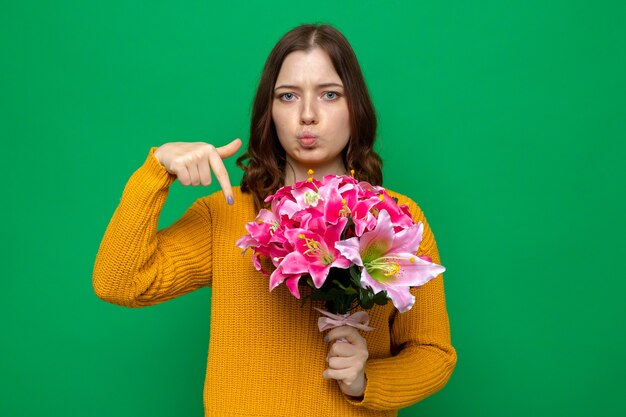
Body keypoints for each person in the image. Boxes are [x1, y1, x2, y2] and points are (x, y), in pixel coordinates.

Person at [93, 23, 456, 416]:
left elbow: (432, 352)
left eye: (330, 94)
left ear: (356, 108)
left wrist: (366, 380)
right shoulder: (229, 215)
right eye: (288, 96)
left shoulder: (397, 218)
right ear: (270, 110)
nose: (307, 115)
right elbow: (120, 283)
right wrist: (156, 169)